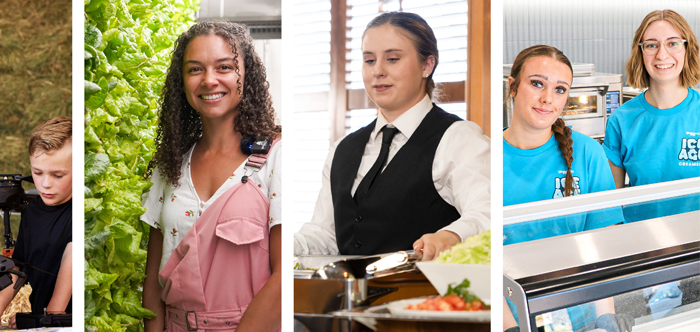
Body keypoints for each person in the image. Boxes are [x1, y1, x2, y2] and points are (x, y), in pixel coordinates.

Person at [294, 11, 490, 259]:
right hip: (348, 295)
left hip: (425, 295)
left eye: (393, 59)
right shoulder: (342, 148)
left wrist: (451, 236)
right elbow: (326, 234)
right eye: (369, 61)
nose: (378, 71)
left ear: (427, 65)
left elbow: (486, 210)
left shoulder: (459, 139)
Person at [140, 22, 281, 332]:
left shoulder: (277, 158)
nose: (209, 80)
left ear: (247, 75)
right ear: (182, 81)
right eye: (195, 70)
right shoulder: (170, 165)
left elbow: (282, 278)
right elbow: (153, 280)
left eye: (224, 67)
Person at [502, 45, 628, 332]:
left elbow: (602, 246)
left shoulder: (587, 153)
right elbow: (483, 259)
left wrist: (605, 319)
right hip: (512, 317)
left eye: (560, 89)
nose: (548, 98)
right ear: (513, 87)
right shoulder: (486, 158)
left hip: (582, 317)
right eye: (537, 84)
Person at [0, 116, 72, 327]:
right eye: (37, 173)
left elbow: (72, 255)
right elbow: (20, 268)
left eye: (58, 175)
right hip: (43, 321)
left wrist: (52, 314)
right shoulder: (31, 212)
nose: (45, 184)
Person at [603, 9, 700, 222]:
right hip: (643, 245)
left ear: (687, 48)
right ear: (641, 52)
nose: (662, 55)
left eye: (673, 43)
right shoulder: (622, 120)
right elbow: (611, 203)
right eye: (652, 45)